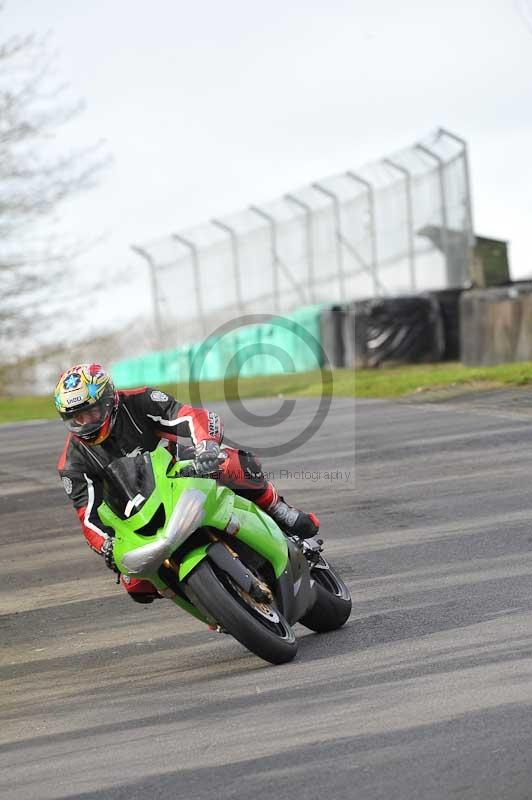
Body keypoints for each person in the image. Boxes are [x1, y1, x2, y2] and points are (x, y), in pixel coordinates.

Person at [55, 363, 320, 604]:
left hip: (179, 471)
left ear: (108, 399)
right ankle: (208, 602)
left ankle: (277, 509)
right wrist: (105, 545)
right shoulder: (72, 463)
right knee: (136, 585)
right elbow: (87, 515)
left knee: (233, 465)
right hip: (136, 513)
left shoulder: (139, 400)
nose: (85, 423)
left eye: (91, 412)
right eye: (76, 418)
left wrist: (206, 447)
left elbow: (188, 415)